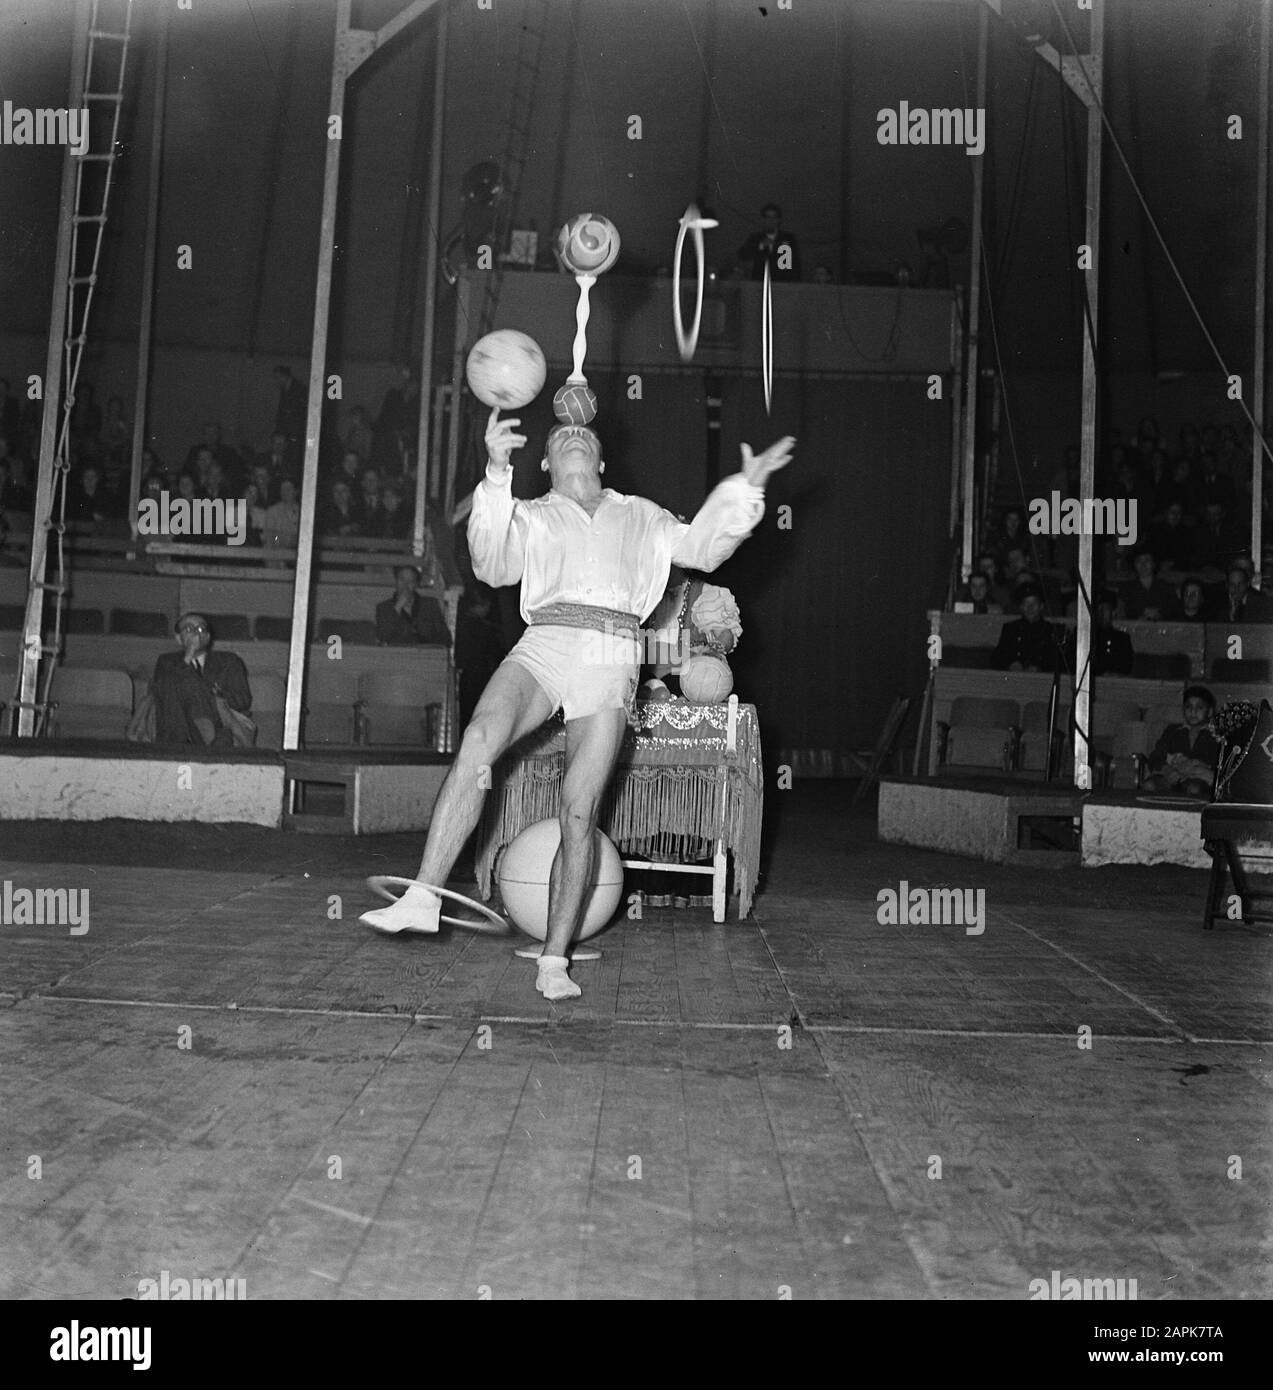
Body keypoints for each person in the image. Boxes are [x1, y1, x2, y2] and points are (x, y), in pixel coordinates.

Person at [360, 409, 794, 1001]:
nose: (573, 434)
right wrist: (494, 472)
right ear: (544, 462)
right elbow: (489, 563)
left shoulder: (640, 513)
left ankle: (554, 958)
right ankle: (423, 897)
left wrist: (745, 491)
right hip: (544, 641)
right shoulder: (531, 514)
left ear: (601, 459)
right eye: (561, 433)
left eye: (583, 432)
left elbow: (703, 548)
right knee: (482, 739)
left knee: (578, 811)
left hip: (611, 652)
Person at [149, 614, 253, 749]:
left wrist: (212, 694)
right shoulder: (166, 661)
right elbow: (161, 693)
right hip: (178, 724)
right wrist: (188, 656)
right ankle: (206, 742)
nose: (195, 634)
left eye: (200, 629)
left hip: (220, 720)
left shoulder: (229, 661)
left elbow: (243, 700)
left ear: (208, 637)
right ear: (179, 638)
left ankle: (191, 744)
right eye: (188, 629)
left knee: (191, 686)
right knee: (175, 684)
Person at [641, 564, 743, 697]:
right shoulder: (644, 593)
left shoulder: (706, 595)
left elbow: (725, 640)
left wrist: (719, 638)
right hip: (646, 679)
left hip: (686, 681)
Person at [1143, 686, 1220, 798]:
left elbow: (1219, 763)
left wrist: (1197, 765)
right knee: (1149, 785)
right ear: (1183, 710)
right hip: (1171, 776)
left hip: (1198, 778)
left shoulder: (1216, 735)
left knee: (1194, 789)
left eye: (1199, 708)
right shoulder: (1173, 731)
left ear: (1210, 712)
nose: (1193, 712)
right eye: (1188, 707)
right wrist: (1167, 770)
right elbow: (1156, 756)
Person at [991, 585, 1064, 672]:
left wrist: (1039, 668)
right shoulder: (1010, 629)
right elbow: (996, 659)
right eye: (1025, 603)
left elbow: (1059, 662)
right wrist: (1010, 664)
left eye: (1034, 603)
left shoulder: (1051, 630)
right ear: (1021, 607)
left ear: (1041, 606)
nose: (1030, 608)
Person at [375, 565, 449, 645]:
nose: (405, 585)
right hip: (398, 654)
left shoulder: (430, 604)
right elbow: (382, 636)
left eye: (411, 581)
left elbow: (445, 636)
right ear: (396, 582)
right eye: (402, 580)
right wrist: (397, 607)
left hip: (427, 653)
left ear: (416, 584)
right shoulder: (384, 607)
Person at [736, 203, 801, 282]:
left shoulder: (788, 238)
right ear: (763, 220)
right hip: (759, 283)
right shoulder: (755, 238)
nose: (771, 221)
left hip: (782, 283)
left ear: (779, 220)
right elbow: (742, 255)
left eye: (774, 217)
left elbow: (795, 264)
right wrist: (761, 246)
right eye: (768, 217)